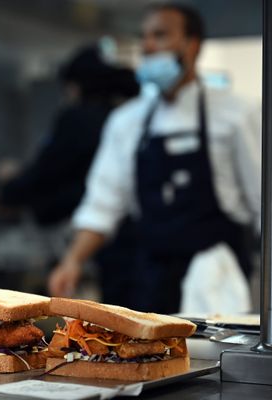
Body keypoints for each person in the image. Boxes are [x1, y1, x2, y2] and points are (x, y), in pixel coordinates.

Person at [48, 3, 260, 314]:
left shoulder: (238, 113)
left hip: (217, 275)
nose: (148, 45)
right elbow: (103, 204)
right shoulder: (127, 121)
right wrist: (72, 261)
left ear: (192, 44)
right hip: (149, 277)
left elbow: (262, 201)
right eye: (144, 36)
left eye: (160, 35)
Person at [0, 46, 141, 305]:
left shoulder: (80, 118)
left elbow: (47, 171)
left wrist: (8, 190)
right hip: (130, 243)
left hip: (110, 245)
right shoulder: (120, 117)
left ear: (76, 85)